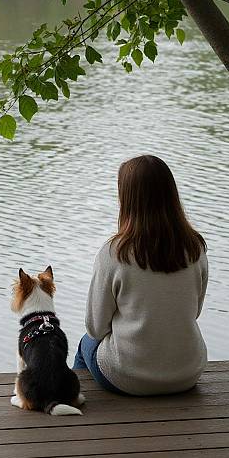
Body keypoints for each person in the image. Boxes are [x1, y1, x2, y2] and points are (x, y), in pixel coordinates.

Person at [73, 155, 208, 395]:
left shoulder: (114, 253)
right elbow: (193, 312)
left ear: (127, 199)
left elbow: (95, 327)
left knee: (86, 344)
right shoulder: (195, 248)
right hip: (187, 373)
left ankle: (73, 402)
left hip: (129, 377)